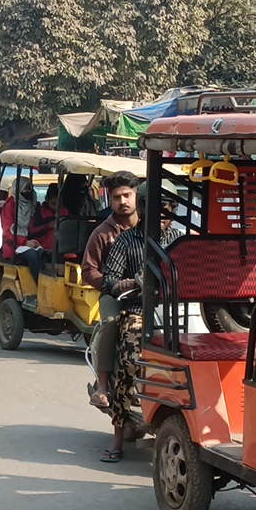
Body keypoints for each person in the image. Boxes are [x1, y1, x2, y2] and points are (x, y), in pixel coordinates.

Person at [83, 171, 141, 408]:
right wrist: (113, 285)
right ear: (110, 199)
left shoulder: (151, 228)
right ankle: (103, 385)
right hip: (115, 295)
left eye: (127, 195)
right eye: (117, 197)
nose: (123, 201)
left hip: (148, 294)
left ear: (136, 196)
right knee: (111, 322)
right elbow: (89, 271)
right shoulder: (102, 233)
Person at [93, 223, 147, 461]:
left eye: (170, 212)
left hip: (177, 312)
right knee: (129, 362)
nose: (165, 218)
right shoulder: (126, 240)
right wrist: (120, 284)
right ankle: (118, 436)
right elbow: (109, 279)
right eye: (161, 211)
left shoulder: (178, 239)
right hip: (136, 311)